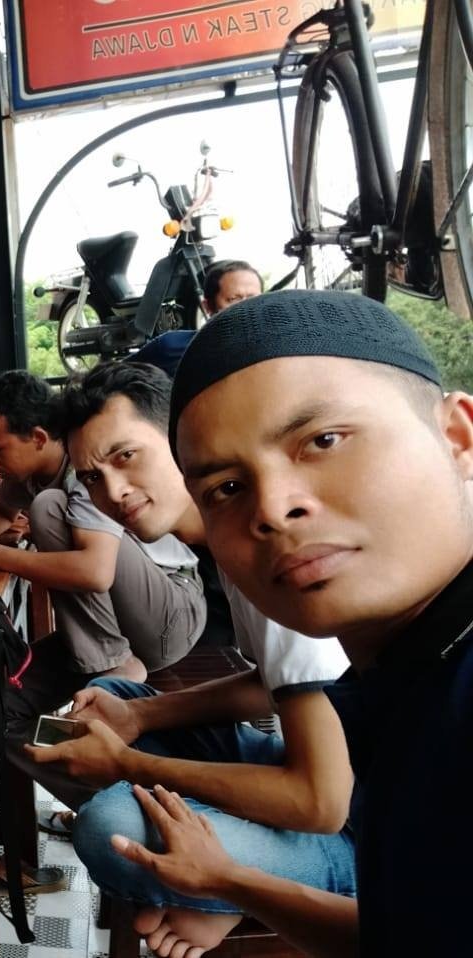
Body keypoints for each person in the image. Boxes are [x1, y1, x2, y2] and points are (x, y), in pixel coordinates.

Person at [109, 289, 473, 958]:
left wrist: (125, 757)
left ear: (457, 437)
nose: (273, 509)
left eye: (323, 441)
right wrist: (227, 882)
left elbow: (320, 801)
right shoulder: (407, 671)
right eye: (226, 488)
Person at [24, 362, 354, 957]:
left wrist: (126, 764)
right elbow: (272, 684)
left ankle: (228, 887)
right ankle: (201, 872)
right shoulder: (224, 546)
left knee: (110, 827)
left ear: (185, 442)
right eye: (93, 477)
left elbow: (320, 802)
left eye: (127, 457)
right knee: (112, 702)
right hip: (321, 772)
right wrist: (142, 718)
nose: (113, 493)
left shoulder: (273, 546)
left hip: (366, 830)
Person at [0, 370, 206, 724]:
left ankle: (113, 664)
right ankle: (99, 672)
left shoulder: (84, 473)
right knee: (3, 699)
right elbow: (0, 513)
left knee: (47, 507)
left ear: (38, 437)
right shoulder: (29, 474)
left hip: (170, 618)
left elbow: (96, 572)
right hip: (116, 627)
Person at [129, 260, 264, 376]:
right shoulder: (172, 346)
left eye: (254, 298)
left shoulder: (274, 348)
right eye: (233, 299)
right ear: (207, 307)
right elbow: (120, 375)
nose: (247, 306)